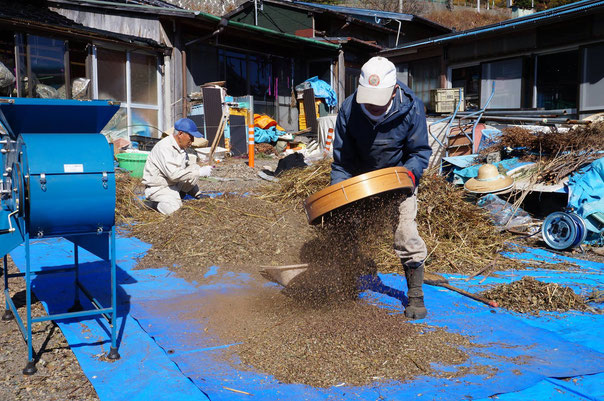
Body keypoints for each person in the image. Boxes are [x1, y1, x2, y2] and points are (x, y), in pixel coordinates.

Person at [330, 56, 432, 319]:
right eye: (368, 99)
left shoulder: (411, 107)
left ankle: (416, 295)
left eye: (379, 100)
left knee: (405, 232)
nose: (372, 106)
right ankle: (346, 284)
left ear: (394, 90)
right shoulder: (349, 109)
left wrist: (408, 176)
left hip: (399, 177)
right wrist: (337, 197)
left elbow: (419, 152)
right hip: (360, 179)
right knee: (343, 226)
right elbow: (342, 160)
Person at [142, 117, 212, 215]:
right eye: (190, 137)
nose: (192, 141)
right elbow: (173, 175)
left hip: (173, 184)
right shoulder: (164, 148)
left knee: (194, 167)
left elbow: (187, 172)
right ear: (180, 134)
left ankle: (179, 195)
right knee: (175, 210)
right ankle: (153, 205)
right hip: (159, 188)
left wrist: (198, 194)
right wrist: (199, 173)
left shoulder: (181, 149)